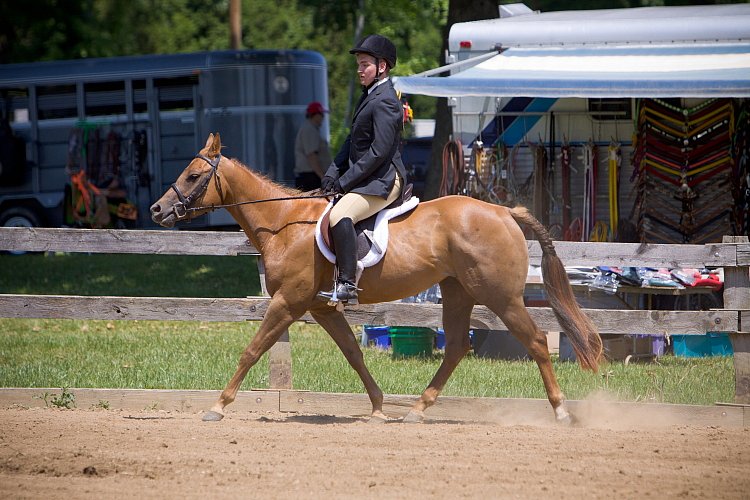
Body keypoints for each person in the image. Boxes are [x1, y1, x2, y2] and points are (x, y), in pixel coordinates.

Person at [317, 34, 407, 305]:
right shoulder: (369, 96)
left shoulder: (386, 101)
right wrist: (333, 172)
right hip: (370, 176)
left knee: (339, 215)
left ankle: (347, 283)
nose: (359, 69)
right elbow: (350, 140)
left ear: (382, 66)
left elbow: (379, 152)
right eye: (358, 64)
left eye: (365, 64)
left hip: (385, 179)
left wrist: (345, 182)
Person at [294, 101, 331, 191]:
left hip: (312, 175)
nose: (323, 117)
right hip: (310, 177)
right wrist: (323, 177)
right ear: (315, 115)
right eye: (321, 114)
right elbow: (311, 156)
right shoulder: (309, 129)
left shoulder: (311, 128)